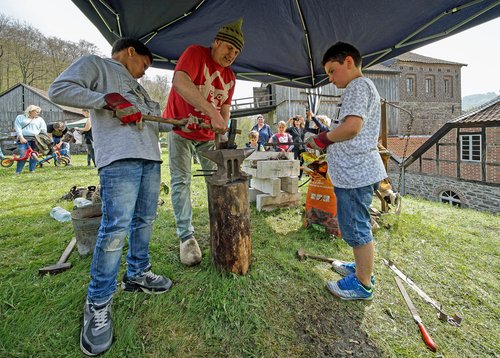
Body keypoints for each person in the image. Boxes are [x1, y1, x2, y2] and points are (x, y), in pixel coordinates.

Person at [48, 37, 172, 356]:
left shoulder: (141, 89)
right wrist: (108, 100)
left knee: (145, 220)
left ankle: (137, 273)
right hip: (119, 158)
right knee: (116, 227)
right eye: (144, 65)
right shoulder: (97, 65)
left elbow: (156, 125)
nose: (144, 73)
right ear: (130, 52)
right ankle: (98, 302)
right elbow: (58, 90)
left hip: (151, 158)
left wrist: (181, 124)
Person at [307, 42, 387, 301]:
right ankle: (362, 268)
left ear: (349, 62)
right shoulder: (362, 88)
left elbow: (352, 127)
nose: (330, 78)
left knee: (356, 227)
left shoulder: (357, 86)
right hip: (357, 171)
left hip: (356, 173)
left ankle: (362, 285)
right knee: (356, 224)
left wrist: (323, 139)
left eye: (332, 71)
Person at [163, 18, 244, 266]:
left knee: (218, 182)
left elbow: (226, 110)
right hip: (180, 129)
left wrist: (222, 134)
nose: (232, 54)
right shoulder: (195, 53)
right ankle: (186, 238)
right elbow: (180, 82)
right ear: (217, 42)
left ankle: (219, 224)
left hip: (208, 137)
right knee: (181, 181)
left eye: (237, 51)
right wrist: (212, 112)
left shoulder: (230, 76)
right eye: (229, 47)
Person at [13, 105, 47, 174]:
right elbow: (18, 128)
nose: (38, 113)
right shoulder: (20, 117)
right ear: (30, 111)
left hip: (36, 139)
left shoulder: (40, 119)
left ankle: (32, 170)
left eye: (39, 112)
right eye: (37, 112)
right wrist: (21, 137)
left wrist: (42, 140)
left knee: (34, 155)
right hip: (23, 139)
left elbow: (43, 130)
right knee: (23, 155)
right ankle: (18, 171)